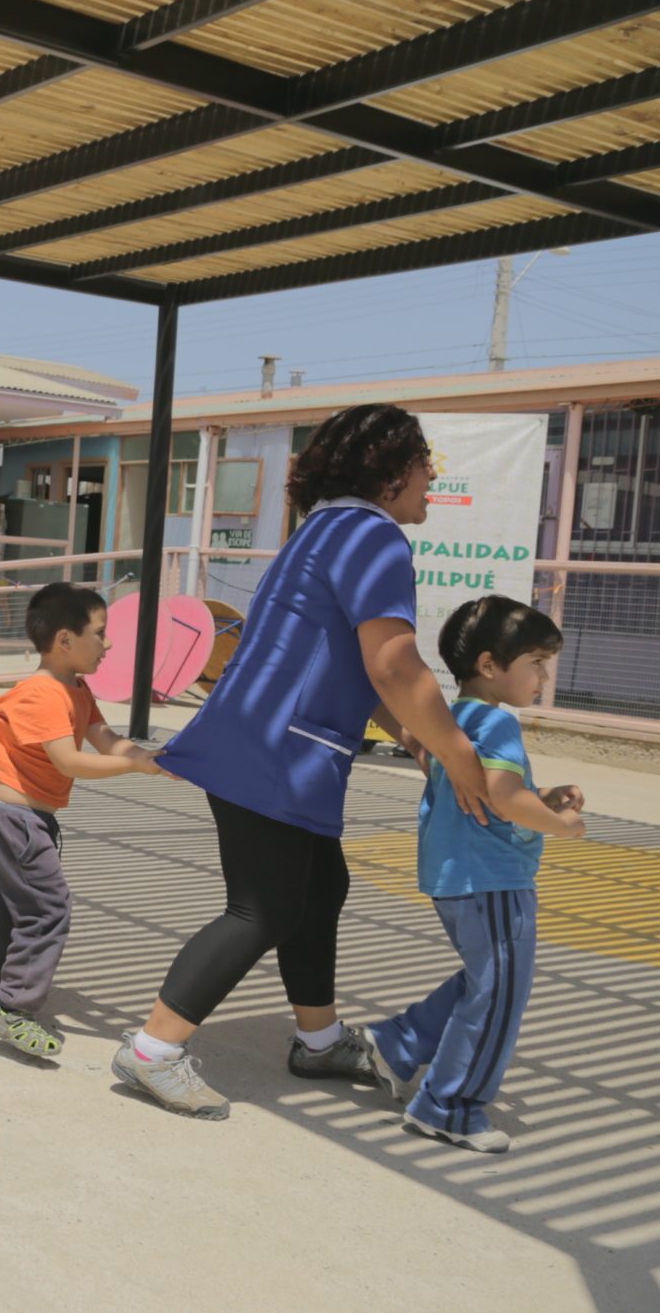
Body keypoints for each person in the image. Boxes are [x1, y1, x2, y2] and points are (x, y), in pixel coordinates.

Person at [112, 403, 496, 1120]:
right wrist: (458, 752)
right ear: (388, 473)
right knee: (263, 909)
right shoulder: (375, 537)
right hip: (276, 753)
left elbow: (355, 662)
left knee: (322, 888)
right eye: (421, 460)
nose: (431, 473)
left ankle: (317, 1040)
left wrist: (413, 736)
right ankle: (153, 1048)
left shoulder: (326, 526)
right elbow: (392, 661)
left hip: (263, 743)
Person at [365, 595, 583, 1154]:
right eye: (536, 663)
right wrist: (561, 823)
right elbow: (505, 800)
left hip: (460, 875)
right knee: (501, 990)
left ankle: (397, 1044)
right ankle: (451, 1107)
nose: (542, 676)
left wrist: (542, 796)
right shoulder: (497, 722)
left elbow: (492, 790)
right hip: (492, 879)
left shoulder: (454, 717)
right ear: (490, 666)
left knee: (488, 981)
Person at [0, 584, 164, 1056]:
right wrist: (135, 765)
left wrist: (153, 758)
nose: (108, 645)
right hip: (17, 820)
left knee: (10, 913)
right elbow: (69, 761)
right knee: (49, 911)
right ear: (65, 639)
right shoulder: (44, 694)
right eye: (100, 633)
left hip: (25, 819)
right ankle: (14, 1008)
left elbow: (106, 740)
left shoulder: (76, 689)